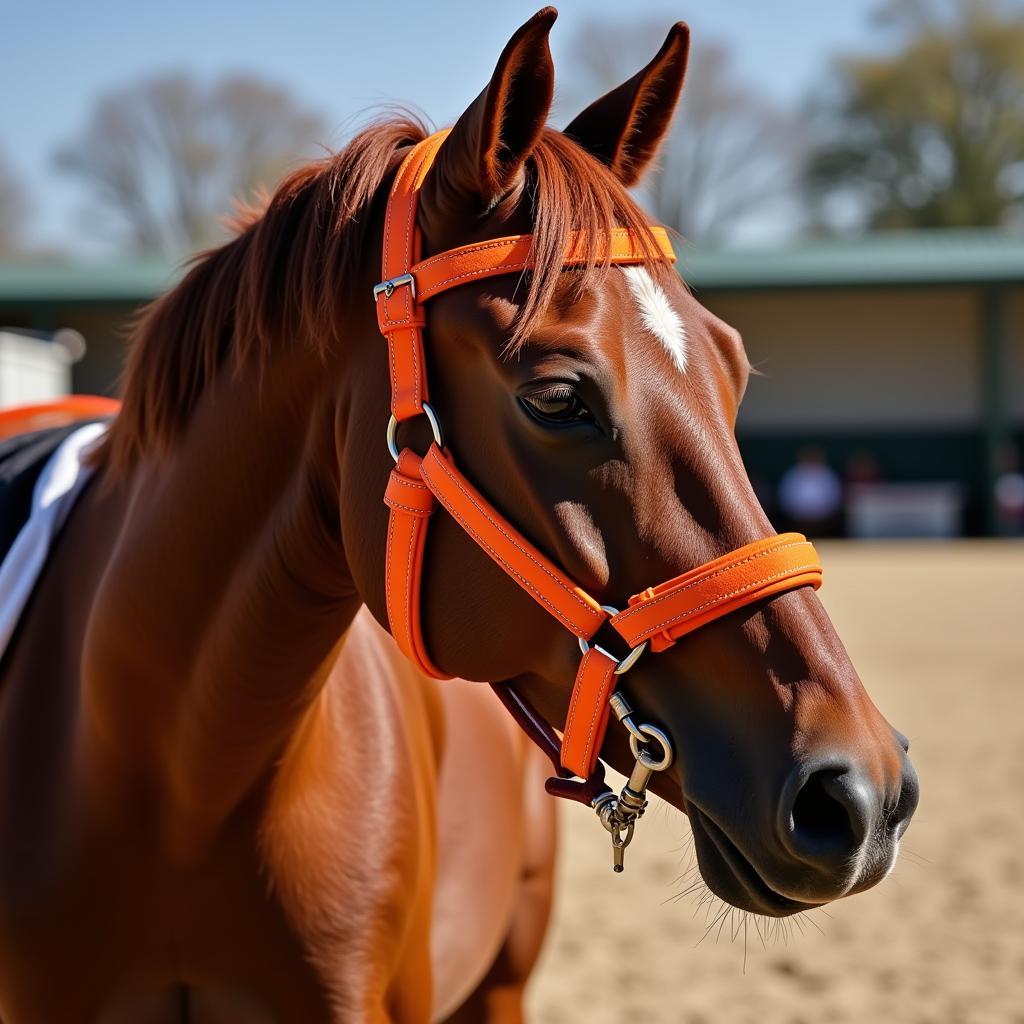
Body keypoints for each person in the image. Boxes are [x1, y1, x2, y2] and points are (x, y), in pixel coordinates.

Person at [777, 446, 843, 538]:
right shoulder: (793, 475)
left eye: (814, 458)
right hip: (797, 520)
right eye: (808, 458)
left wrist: (819, 511)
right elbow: (785, 499)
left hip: (823, 520)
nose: (811, 461)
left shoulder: (828, 475)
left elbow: (834, 499)